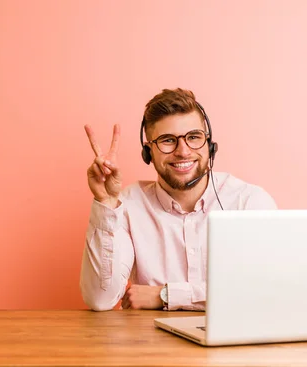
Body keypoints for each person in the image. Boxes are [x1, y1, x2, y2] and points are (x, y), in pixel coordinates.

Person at [80, 88, 277, 312]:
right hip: (153, 345)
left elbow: (267, 290)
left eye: (194, 137)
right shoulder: (128, 204)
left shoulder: (249, 202)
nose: (183, 151)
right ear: (148, 152)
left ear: (210, 145)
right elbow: (100, 299)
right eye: (167, 140)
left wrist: (166, 295)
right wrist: (105, 202)